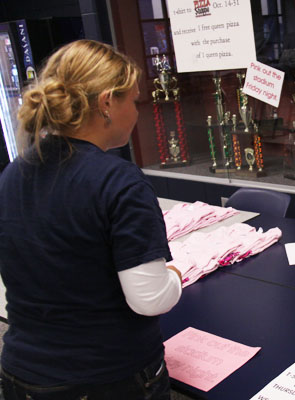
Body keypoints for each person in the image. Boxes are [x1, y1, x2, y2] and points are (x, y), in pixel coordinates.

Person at [0, 40, 182, 400]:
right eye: (133, 99)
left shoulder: (13, 174)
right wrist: (175, 276)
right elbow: (149, 299)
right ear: (106, 104)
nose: (137, 111)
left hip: (24, 377)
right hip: (106, 380)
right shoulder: (120, 182)